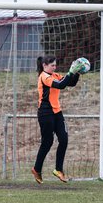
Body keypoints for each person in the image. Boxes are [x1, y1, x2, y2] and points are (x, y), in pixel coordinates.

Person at [31, 55, 84, 184]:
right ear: (44, 65)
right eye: (52, 65)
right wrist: (70, 72)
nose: (54, 67)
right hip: (45, 113)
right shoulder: (44, 77)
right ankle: (36, 169)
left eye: (55, 65)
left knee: (64, 140)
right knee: (47, 142)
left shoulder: (54, 75)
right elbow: (60, 85)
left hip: (57, 112)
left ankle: (58, 170)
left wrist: (76, 73)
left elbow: (70, 83)